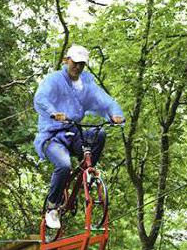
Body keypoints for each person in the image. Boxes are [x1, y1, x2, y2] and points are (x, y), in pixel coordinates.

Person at [33, 45, 124, 229]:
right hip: (52, 136)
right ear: (67, 60)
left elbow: (105, 101)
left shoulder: (86, 85)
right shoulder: (54, 80)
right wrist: (53, 112)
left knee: (99, 134)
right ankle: (52, 206)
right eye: (75, 63)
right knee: (64, 165)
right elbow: (41, 98)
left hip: (74, 132)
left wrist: (114, 114)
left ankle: (87, 172)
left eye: (82, 64)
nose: (78, 68)